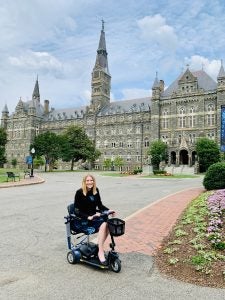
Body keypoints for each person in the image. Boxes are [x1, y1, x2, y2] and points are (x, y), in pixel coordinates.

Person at [74, 174, 115, 265]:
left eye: (91, 180)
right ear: (84, 182)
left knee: (108, 224)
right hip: (83, 220)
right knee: (104, 224)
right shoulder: (79, 192)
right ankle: (100, 251)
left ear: (94, 181)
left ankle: (99, 247)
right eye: (87, 181)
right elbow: (76, 210)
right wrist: (87, 217)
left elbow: (100, 206)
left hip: (94, 217)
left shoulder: (96, 191)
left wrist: (109, 210)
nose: (90, 182)